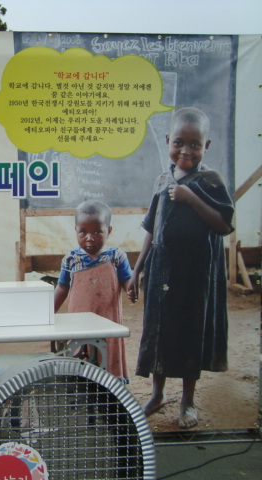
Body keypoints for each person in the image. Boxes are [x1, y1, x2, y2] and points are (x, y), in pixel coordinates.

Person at [127, 107, 234, 429]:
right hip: (161, 272)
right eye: (178, 143)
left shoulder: (210, 182)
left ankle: (187, 401)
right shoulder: (162, 180)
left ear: (206, 146)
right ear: (167, 141)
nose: (185, 150)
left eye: (195, 144)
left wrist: (191, 199)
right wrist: (136, 271)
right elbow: (152, 229)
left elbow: (223, 225)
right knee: (159, 332)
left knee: (190, 333)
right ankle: (157, 394)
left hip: (195, 275)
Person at [54, 199, 133, 383]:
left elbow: (127, 281)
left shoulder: (116, 257)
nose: (90, 237)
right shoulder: (71, 259)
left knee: (108, 356)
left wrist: (131, 289)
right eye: (83, 232)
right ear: (75, 230)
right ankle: (82, 389)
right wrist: (48, 313)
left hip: (108, 321)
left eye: (97, 231)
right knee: (80, 354)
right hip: (78, 322)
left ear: (109, 230)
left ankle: (111, 390)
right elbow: (62, 287)